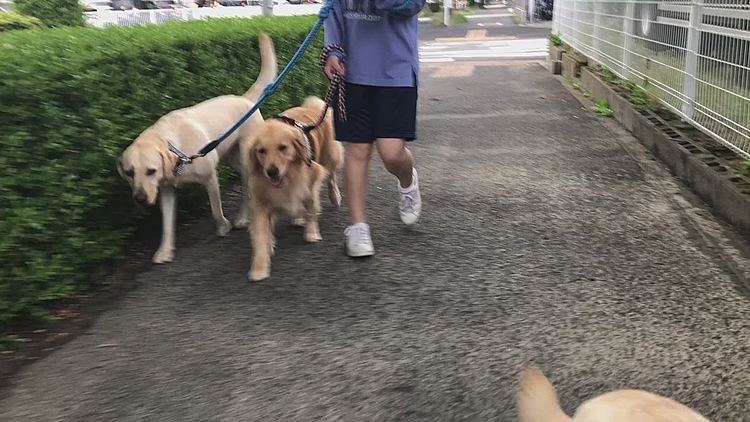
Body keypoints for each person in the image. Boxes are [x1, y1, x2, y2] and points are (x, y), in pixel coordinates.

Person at [323, 0, 426, 257]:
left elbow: (410, 6)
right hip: (353, 72)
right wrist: (333, 51)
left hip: (397, 71)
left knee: (391, 153)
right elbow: (332, 9)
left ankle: (407, 180)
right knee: (358, 149)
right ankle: (358, 227)